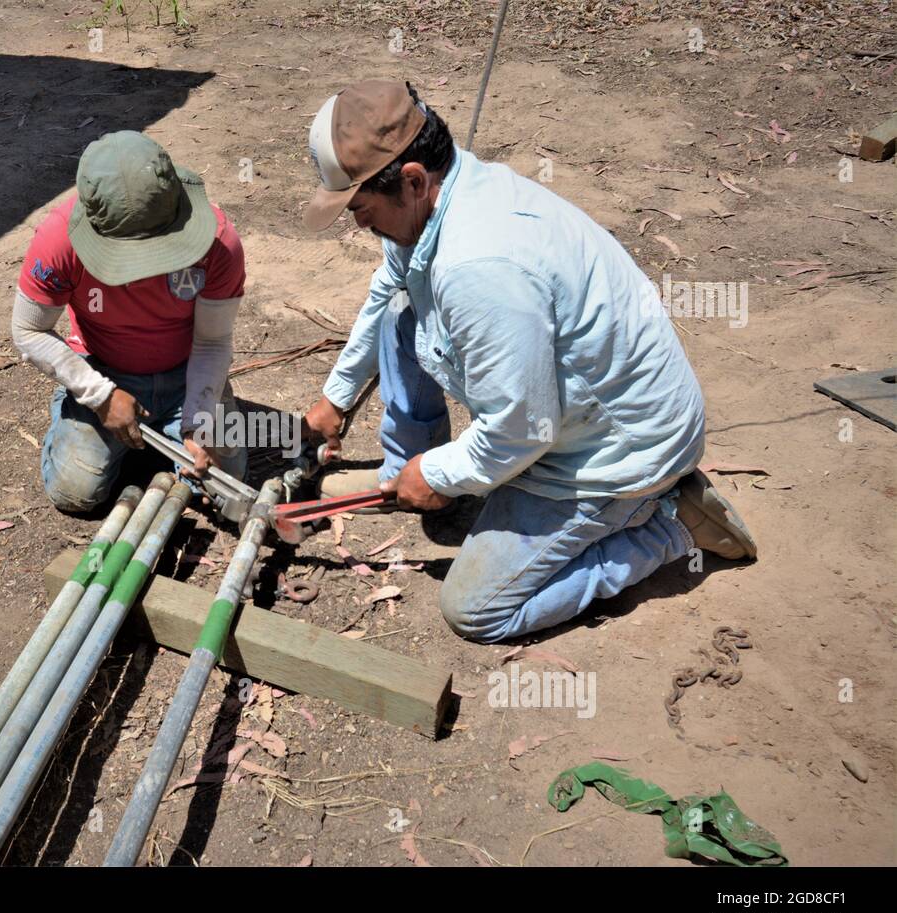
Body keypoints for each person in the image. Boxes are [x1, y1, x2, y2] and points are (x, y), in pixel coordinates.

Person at [299, 80, 756, 643]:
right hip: (573, 416)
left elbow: (521, 429)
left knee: (476, 611)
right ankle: (408, 477)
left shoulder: (478, 267)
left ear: (413, 179)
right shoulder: (446, 192)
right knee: (400, 306)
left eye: (363, 210)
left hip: (613, 453)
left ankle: (669, 526)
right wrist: (335, 400)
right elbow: (387, 292)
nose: (358, 224)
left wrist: (441, 472)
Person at [12, 130, 247, 512]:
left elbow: (212, 341)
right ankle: (79, 410)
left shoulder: (219, 242)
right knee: (76, 495)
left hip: (187, 372)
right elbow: (27, 330)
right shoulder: (58, 239)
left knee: (226, 490)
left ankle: (165, 432)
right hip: (104, 370)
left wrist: (199, 417)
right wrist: (98, 395)